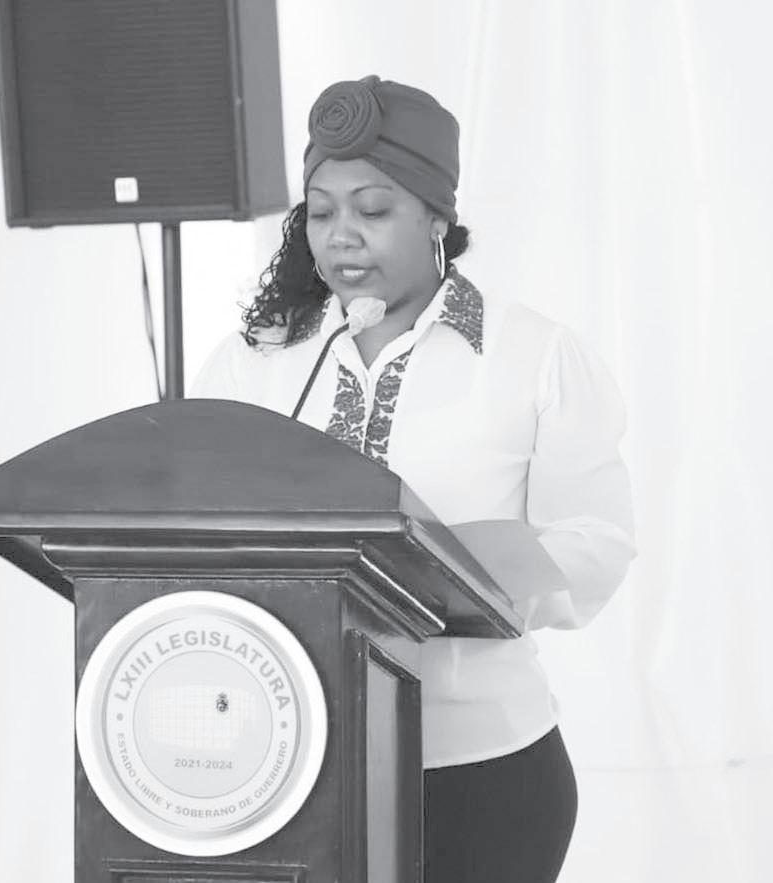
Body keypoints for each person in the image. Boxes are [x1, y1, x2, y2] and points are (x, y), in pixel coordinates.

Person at [191, 74, 636, 883]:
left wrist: (464, 577)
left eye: (373, 209)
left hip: (479, 775)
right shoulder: (254, 361)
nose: (342, 237)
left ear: (437, 216)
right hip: (285, 767)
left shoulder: (530, 355)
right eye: (321, 212)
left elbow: (598, 544)